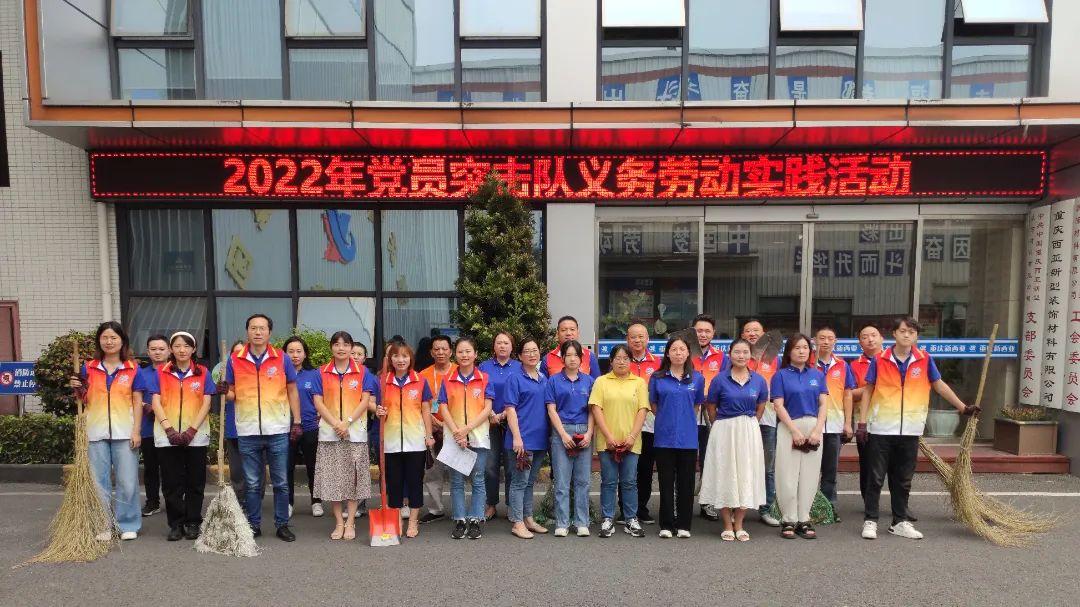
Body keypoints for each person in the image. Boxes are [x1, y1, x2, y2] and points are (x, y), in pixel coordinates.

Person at [858, 317, 977, 541]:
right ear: (894, 333)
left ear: (916, 336)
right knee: (875, 478)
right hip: (881, 428)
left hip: (910, 430)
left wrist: (963, 407)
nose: (907, 335)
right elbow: (868, 390)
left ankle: (899, 522)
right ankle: (870, 520)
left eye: (911, 332)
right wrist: (862, 423)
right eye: (903, 331)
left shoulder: (924, 359)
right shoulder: (880, 359)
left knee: (903, 479)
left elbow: (939, 385)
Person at [224, 314, 302, 542]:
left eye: (262, 328)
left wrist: (297, 421)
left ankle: (282, 524)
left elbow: (292, 390)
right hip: (247, 430)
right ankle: (254, 524)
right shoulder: (235, 359)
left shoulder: (281, 358)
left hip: (277, 429)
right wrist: (224, 391)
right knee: (252, 483)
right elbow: (231, 393)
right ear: (247, 331)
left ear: (269, 332)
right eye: (253, 328)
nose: (258, 332)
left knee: (281, 482)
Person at [69, 321, 146, 541]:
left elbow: (137, 401)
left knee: (127, 482)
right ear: (99, 341)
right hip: (96, 431)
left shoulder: (133, 368)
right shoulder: (88, 368)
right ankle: (102, 524)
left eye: (114, 337)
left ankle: (127, 523)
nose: (109, 342)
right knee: (98, 482)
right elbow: (83, 399)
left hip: (125, 431)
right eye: (105, 337)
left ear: (122, 341)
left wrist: (136, 431)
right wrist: (77, 387)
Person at [146, 332, 215, 541]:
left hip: (196, 436)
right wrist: (169, 429)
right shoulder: (161, 372)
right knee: (171, 482)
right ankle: (176, 523)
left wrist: (191, 430)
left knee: (195, 481)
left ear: (194, 349)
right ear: (171, 349)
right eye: (177, 346)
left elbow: (207, 403)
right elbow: (155, 402)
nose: (182, 350)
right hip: (167, 436)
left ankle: (193, 521)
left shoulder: (203, 372)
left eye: (186, 346)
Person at [699, 339, 768, 542]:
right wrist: (722, 425)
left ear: (750, 355)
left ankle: (739, 524)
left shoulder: (758, 380)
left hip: (748, 431)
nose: (741, 356)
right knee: (725, 473)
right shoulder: (720, 379)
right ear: (729, 355)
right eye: (737, 352)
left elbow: (761, 406)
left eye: (745, 352)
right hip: (724, 430)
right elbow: (711, 406)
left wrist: (749, 424)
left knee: (746, 473)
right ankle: (727, 525)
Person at [312, 331, 377, 540]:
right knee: (334, 480)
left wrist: (347, 422)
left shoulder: (363, 372)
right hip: (330, 434)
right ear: (331, 347)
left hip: (355, 434)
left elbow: (365, 401)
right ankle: (339, 522)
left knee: (353, 480)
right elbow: (318, 402)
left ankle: (350, 523)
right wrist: (336, 424)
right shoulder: (321, 372)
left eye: (345, 344)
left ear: (351, 347)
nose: (341, 348)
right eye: (337, 344)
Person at [771, 333, 829, 540]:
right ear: (789, 352)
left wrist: (817, 430)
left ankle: (804, 518)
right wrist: (794, 431)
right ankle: (789, 519)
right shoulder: (780, 376)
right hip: (789, 426)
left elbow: (823, 404)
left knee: (810, 475)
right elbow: (778, 405)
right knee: (787, 474)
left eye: (805, 347)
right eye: (797, 348)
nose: (802, 351)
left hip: (813, 427)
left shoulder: (817, 375)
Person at [436, 337, 494, 540]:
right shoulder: (448, 379)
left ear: (475, 354)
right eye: (460, 351)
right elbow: (443, 407)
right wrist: (457, 432)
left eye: (468, 351)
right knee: (456, 481)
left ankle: (476, 519)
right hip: (454, 438)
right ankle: (459, 519)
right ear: (455, 354)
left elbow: (487, 408)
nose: (464, 355)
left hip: (478, 436)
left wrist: (468, 429)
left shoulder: (484, 378)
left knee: (478, 479)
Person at [590, 344, 649, 538]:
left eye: (625, 358)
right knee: (608, 481)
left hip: (632, 442)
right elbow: (596, 409)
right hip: (607, 442)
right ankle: (607, 519)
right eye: (618, 358)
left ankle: (631, 518)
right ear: (611, 361)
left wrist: (632, 436)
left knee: (629, 482)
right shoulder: (601, 381)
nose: (621, 362)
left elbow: (642, 410)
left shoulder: (639, 383)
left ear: (631, 361)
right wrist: (608, 436)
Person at [649, 335, 705, 538]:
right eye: (674, 349)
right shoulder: (657, 378)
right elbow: (654, 405)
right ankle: (666, 524)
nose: (678, 353)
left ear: (688, 353)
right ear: (667, 353)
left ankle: (683, 524)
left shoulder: (697, 378)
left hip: (688, 438)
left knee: (686, 482)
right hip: (664, 437)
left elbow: (696, 406)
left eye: (682, 349)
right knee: (665, 482)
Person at [379, 341, 435, 538]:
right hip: (391, 441)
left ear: (410, 358)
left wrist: (429, 435)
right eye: (396, 356)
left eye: (404, 356)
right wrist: (377, 410)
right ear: (390, 359)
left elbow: (426, 410)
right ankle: (395, 520)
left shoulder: (420, 380)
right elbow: (372, 403)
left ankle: (412, 521)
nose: (400, 360)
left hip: (415, 441)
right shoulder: (383, 381)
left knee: (414, 482)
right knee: (393, 483)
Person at [501, 338, 550, 539]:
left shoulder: (543, 378)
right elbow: (510, 409)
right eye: (527, 351)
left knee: (529, 482)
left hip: (540, 439)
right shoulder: (515, 378)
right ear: (520, 356)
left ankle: (528, 518)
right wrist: (517, 437)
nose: (532, 354)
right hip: (522, 440)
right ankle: (517, 522)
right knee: (519, 482)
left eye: (535, 350)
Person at [546, 340, 596, 537]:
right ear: (563, 358)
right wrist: (563, 434)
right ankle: (562, 522)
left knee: (583, 481)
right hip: (562, 431)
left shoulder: (589, 381)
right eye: (568, 355)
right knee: (562, 481)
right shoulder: (553, 381)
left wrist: (589, 433)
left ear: (581, 359)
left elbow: (593, 410)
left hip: (584, 430)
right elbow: (551, 409)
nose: (572, 359)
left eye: (576, 355)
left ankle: (582, 522)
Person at [812, 326, 856, 519]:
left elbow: (848, 395)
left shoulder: (843, 365)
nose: (826, 342)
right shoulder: (808, 364)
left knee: (830, 470)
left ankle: (828, 507)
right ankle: (808, 506)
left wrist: (848, 423)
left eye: (830, 338)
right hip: (811, 425)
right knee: (809, 470)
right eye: (822, 338)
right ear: (815, 341)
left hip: (834, 426)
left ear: (835, 342)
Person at [689, 314, 729, 522]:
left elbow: (726, 384)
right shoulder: (684, 353)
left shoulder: (722, 358)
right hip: (688, 413)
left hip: (711, 414)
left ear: (713, 334)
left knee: (710, 459)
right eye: (699, 331)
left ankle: (707, 502)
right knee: (686, 460)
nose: (702, 335)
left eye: (707, 331)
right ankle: (683, 502)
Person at [479, 331, 521, 521]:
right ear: (494, 346)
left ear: (512, 347)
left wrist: (505, 413)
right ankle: (491, 504)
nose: (502, 346)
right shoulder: (484, 367)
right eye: (499, 343)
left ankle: (512, 505)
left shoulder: (519, 367)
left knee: (512, 466)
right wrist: (491, 414)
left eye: (506, 343)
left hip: (512, 422)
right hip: (489, 422)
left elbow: (522, 394)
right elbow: (478, 393)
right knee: (490, 465)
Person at [743, 319, 781, 527]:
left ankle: (766, 508)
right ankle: (738, 507)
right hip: (742, 419)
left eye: (756, 330)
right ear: (742, 335)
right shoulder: (738, 356)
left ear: (763, 333)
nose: (752, 334)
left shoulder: (774, 359)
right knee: (740, 464)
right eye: (748, 331)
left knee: (768, 467)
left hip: (768, 420)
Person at [216, 340, 265, 500]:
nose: (239, 355)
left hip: (256, 426)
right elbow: (228, 395)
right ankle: (240, 499)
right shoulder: (227, 374)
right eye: (235, 353)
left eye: (242, 352)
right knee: (237, 468)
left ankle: (256, 498)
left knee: (256, 466)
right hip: (234, 426)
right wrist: (223, 390)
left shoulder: (257, 372)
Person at [418, 334, 456, 524]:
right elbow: (420, 404)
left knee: (459, 471)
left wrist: (449, 425)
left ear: (451, 351)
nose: (440, 352)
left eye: (444, 349)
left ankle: (460, 509)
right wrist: (435, 423)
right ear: (431, 352)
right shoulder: (423, 375)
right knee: (433, 471)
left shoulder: (459, 371)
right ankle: (436, 509)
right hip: (432, 428)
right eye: (436, 349)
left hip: (456, 429)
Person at [284, 336, 322, 519]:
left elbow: (321, 399)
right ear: (284, 354)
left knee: (313, 466)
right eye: (290, 351)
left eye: (299, 351)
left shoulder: (314, 374)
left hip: (310, 427)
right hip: (286, 427)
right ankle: (288, 503)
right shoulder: (280, 375)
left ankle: (316, 501)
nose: (295, 355)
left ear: (305, 354)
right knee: (287, 467)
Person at [626, 323, 660, 525]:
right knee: (626, 468)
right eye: (633, 337)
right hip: (625, 422)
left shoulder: (658, 363)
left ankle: (641, 508)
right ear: (627, 340)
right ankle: (625, 509)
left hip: (650, 423)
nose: (637, 340)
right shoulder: (622, 360)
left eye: (641, 337)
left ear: (648, 339)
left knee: (646, 467)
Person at [849, 323, 883, 503]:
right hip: (865, 422)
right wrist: (872, 387)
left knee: (896, 466)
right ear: (860, 343)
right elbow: (850, 395)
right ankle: (870, 503)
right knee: (868, 464)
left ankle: (900, 505)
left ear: (882, 338)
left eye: (874, 335)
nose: (870, 339)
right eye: (865, 337)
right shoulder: (854, 365)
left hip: (891, 421)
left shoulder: (892, 361)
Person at [138, 334, 169, 517]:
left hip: (171, 429)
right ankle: (152, 502)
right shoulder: (140, 373)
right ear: (148, 352)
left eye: (161, 349)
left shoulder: (175, 372)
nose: (158, 352)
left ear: (169, 350)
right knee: (151, 468)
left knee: (171, 468)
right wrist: (145, 405)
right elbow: (132, 397)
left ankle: (173, 501)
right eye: (153, 349)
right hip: (148, 429)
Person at [351, 341, 374, 518]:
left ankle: (360, 505)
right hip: (342, 427)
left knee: (360, 467)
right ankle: (347, 504)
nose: (355, 357)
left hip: (363, 427)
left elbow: (373, 402)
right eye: (353, 353)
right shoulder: (340, 374)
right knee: (346, 468)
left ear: (365, 358)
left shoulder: (368, 376)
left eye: (359, 354)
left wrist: (364, 404)